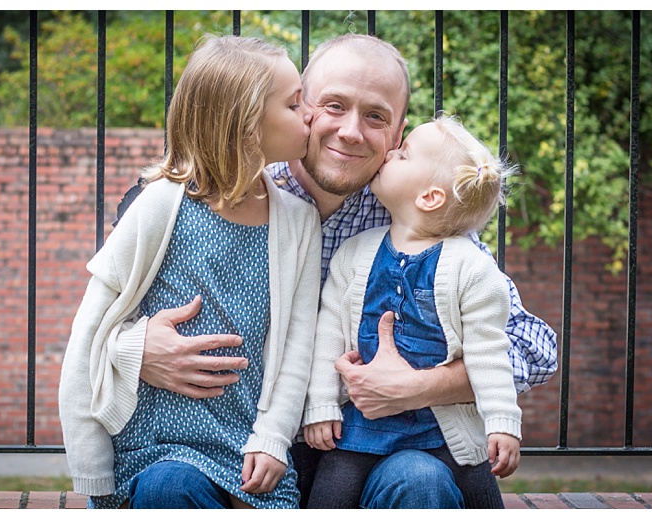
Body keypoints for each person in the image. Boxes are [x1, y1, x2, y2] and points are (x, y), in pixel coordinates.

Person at [113, 34, 558, 508]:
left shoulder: (416, 220)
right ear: (301, 106)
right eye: (334, 105)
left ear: (398, 135)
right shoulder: (227, 197)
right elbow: (100, 322)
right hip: (236, 440)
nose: (350, 131)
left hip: (363, 446)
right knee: (168, 486)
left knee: (420, 477)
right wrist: (137, 349)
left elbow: (534, 346)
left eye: (375, 116)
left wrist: (417, 384)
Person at [58, 35, 322, 509]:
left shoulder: (299, 222)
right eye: (294, 103)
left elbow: (298, 344)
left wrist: (273, 438)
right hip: (157, 452)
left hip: (249, 453)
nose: (311, 114)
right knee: (170, 488)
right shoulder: (160, 205)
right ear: (245, 126)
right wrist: (92, 469)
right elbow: (90, 331)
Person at [303, 116, 522, 509]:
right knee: (330, 496)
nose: (389, 153)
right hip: (360, 426)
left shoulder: (473, 270)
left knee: (484, 497)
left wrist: (503, 423)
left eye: (403, 155)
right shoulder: (353, 254)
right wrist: (321, 405)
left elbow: (490, 354)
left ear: (429, 197)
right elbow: (328, 337)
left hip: (442, 429)